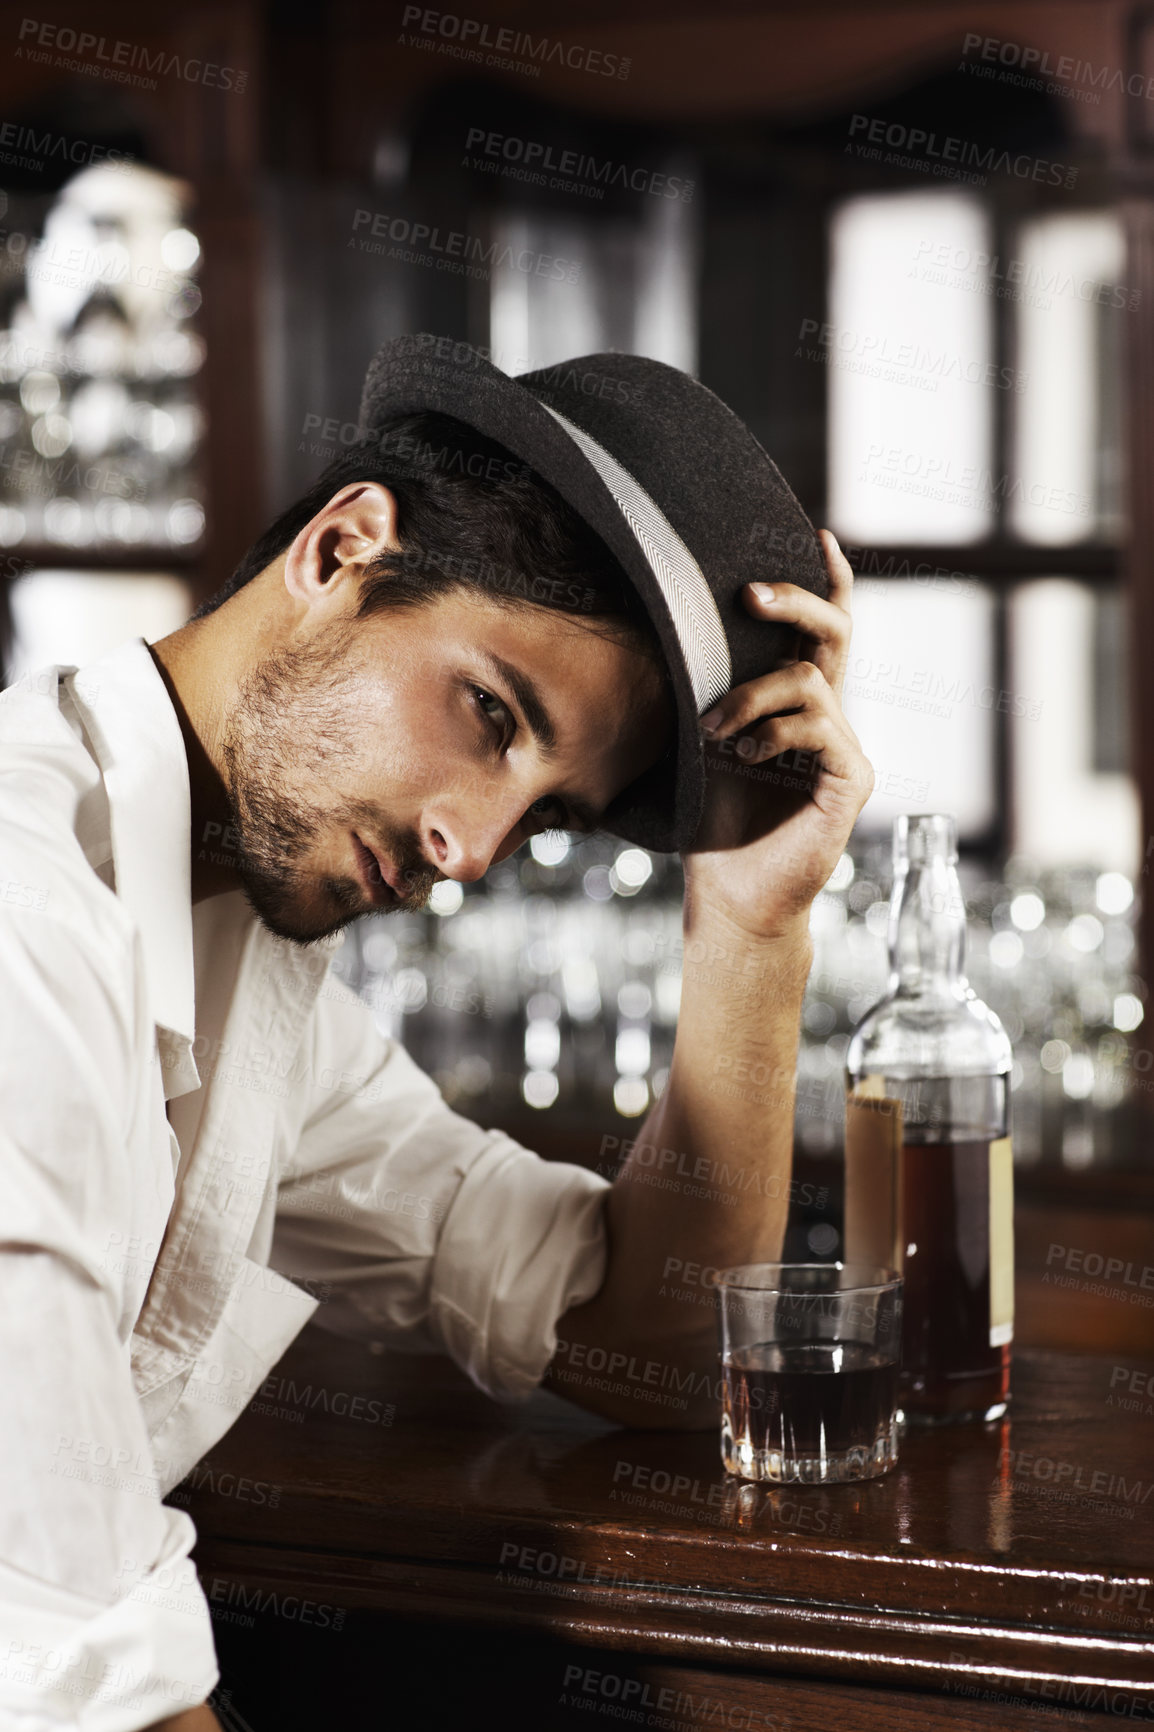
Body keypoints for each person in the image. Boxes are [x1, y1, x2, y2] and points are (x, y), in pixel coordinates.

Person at [0, 336, 873, 1730]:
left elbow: (636, 1341)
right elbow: (70, 1659)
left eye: (546, 817)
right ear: (344, 547)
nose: (471, 850)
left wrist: (755, 928)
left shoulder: (244, 964)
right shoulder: (27, 922)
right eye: (488, 713)